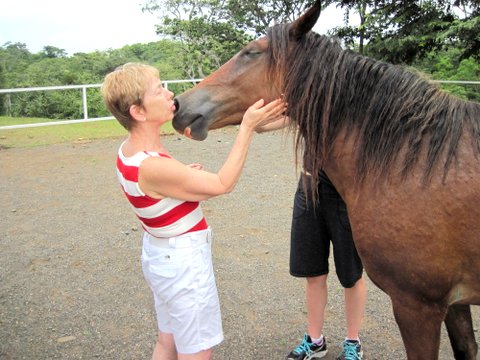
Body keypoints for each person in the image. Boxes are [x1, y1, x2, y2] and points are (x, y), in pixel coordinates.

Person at [101, 62, 286, 360]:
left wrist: (179, 177)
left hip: (160, 256)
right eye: (158, 89)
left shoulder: (130, 152)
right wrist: (247, 127)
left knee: (168, 342)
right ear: (138, 111)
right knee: (197, 351)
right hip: (182, 264)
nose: (168, 93)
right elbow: (222, 183)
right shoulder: (155, 166)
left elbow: (152, 186)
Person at [255, 119, 367, 360]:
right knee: (313, 273)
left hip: (344, 192)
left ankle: (353, 342)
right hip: (308, 187)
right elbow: (269, 122)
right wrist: (254, 118)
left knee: (351, 275)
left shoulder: (352, 91)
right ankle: (315, 341)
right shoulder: (310, 95)